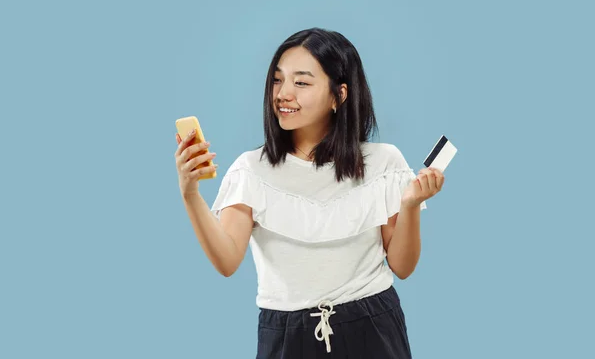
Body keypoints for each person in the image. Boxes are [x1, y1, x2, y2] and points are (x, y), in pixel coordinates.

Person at [174, 27, 445, 358]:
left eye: (301, 82)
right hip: (287, 336)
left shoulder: (383, 162)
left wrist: (411, 204)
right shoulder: (250, 170)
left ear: (339, 95)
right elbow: (227, 260)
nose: (283, 93)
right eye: (277, 79)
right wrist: (190, 194)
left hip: (372, 326)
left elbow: (402, 266)